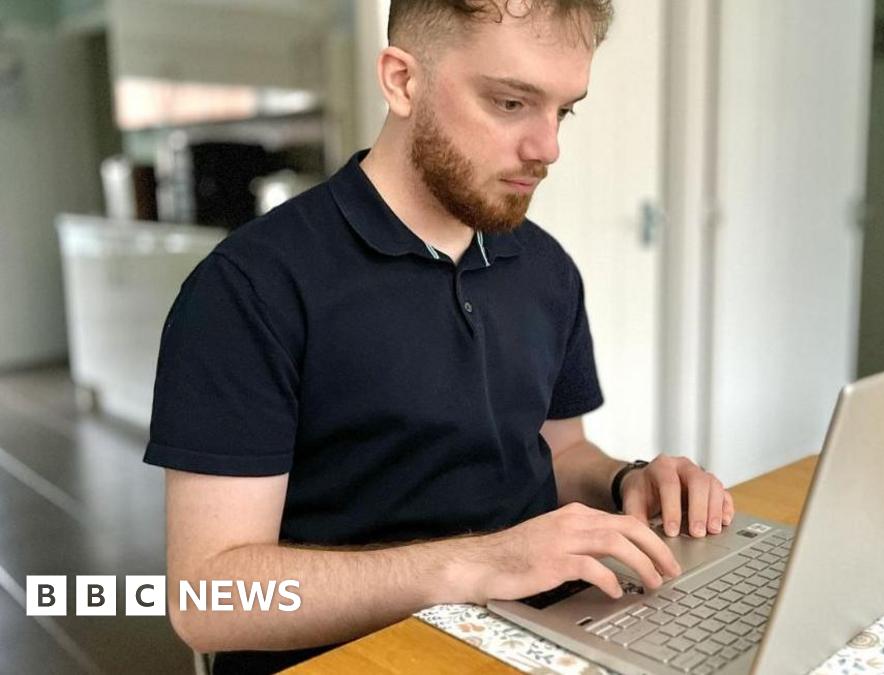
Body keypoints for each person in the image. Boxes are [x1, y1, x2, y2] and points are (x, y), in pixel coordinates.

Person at [144, 1, 734, 672]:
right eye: (512, 103)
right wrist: (478, 563)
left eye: (564, 110)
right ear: (401, 81)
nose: (548, 147)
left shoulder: (545, 269)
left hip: (540, 638)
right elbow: (208, 599)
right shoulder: (248, 288)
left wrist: (625, 479)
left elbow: (559, 448)